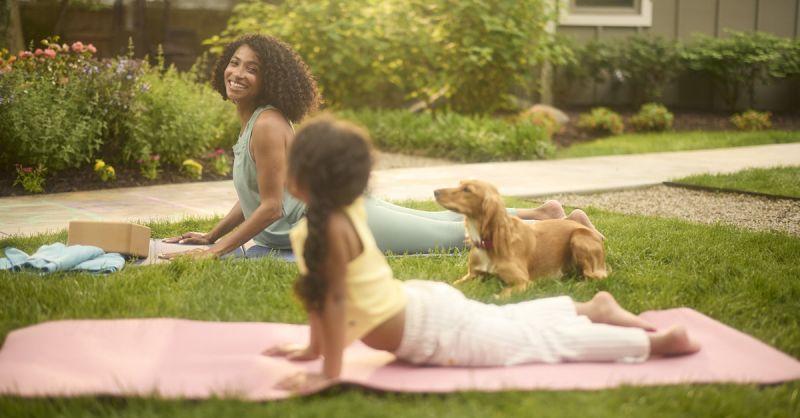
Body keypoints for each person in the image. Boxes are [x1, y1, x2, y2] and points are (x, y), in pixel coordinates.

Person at [264, 115, 701, 393]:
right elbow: (324, 297)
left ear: (312, 178)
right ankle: (592, 306)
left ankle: (655, 342)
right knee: (506, 321)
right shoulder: (325, 220)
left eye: (292, 161)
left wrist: (328, 373)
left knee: (534, 343)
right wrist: (311, 349)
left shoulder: (332, 225)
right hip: (421, 310)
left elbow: (337, 302)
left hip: (431, 331)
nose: (282, 168)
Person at [163, 34, 597, 259]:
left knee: (448, 237)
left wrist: (217, 251)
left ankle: (554, 226)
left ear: (268, 79)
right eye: (235, 63)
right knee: (438, 225)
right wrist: (212, 234)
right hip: (330, 215)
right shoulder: (254, 123)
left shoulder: (267, 125)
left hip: (335, 220)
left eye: (251, 68)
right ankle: (543, 214)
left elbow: (272, 208)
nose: (237, 73)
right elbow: (254, 196)